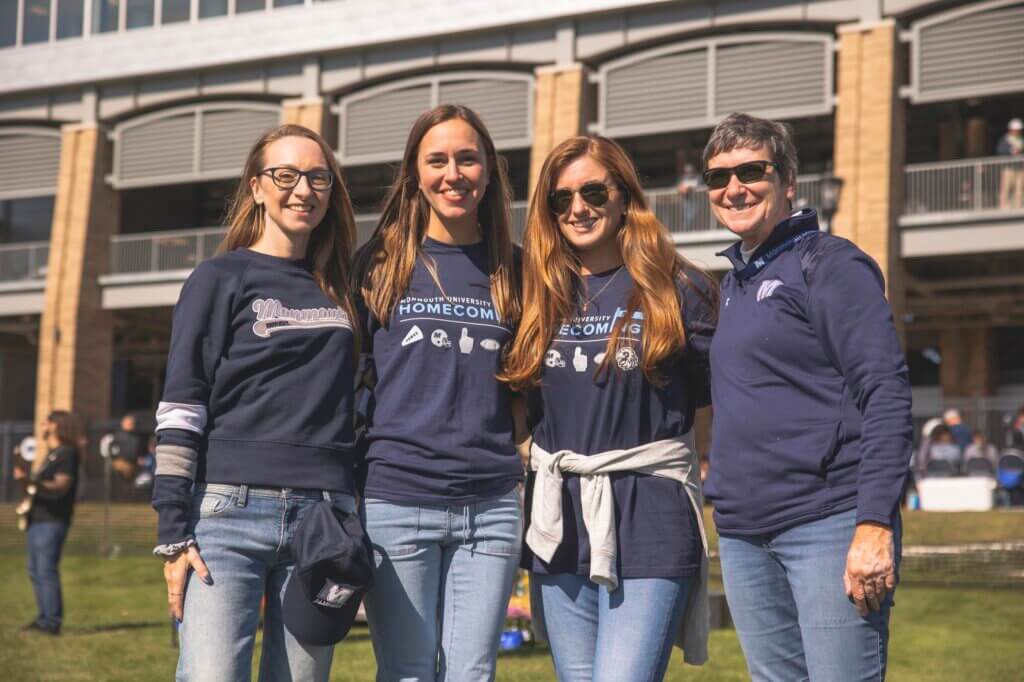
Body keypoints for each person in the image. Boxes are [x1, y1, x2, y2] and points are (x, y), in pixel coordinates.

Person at [702, 113, 912, 681]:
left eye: (751, 170)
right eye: (718, 177)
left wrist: (874, 524)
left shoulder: (828, 263)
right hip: (746, 534)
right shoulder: (734, 283)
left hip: (827, 522)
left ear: (788, 181)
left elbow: (886, 393)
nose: (733, 188)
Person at [501, 135, 717, 680]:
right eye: (561, 198)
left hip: (652, 514)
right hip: (559, 516)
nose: (578, 208)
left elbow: (714, 400)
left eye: (594, 192)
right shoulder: (537, 292)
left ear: (624, 196)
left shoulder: (680, 286)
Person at [151, 124, 361, 682]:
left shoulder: (345, 286)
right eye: (285, 175)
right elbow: (181, 406)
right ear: (257, 188)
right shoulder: (219, 277)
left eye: (318, 177)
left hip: (324, 519)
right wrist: (173, 532)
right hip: (226, 515)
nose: (303, 190)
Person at [352, 104, 524, 681]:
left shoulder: (517, 270)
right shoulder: (376, 266)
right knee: (407, 671)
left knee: (471, 673)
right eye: (438, 160)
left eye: (467, 158)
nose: (454, 173)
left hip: (492, 506)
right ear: (415, 174)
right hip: (398, 499)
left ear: (489, 171)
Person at [13, 410, 82, 636]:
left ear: (56, 426)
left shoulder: (67, 454)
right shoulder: (51, 454)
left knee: (46, 569)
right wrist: (25, 479)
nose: (41, 425)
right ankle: (43, 617)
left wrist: (33, 481)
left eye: (45, 422)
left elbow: (61, 487)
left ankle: (52, 621)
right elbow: (34, 488)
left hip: (52, 520)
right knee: (35, 570)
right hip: (37, 519)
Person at [997, 118, 1023, 209]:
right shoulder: (1005, 139)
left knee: (1020, 188)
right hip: (1008, 168)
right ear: (1011, 130)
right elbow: (1000, 150)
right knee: (1006, 187)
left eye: (1018, 130)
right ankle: (1004, 206)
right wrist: (1010, 151)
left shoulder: (1022, 140)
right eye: (1015, 130)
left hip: (1020, 168)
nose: (1017, 132)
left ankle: (1018, 205)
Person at [109, 413, 143, 481]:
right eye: (129, 423)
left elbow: (139, 450)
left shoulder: (136, 437)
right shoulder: (117, 436)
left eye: (132, 423)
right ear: (123, 423)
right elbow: (113, 449)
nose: (131, 424)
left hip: (133, 464)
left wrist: (139, 458)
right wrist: (117, 460)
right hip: (121, 463)